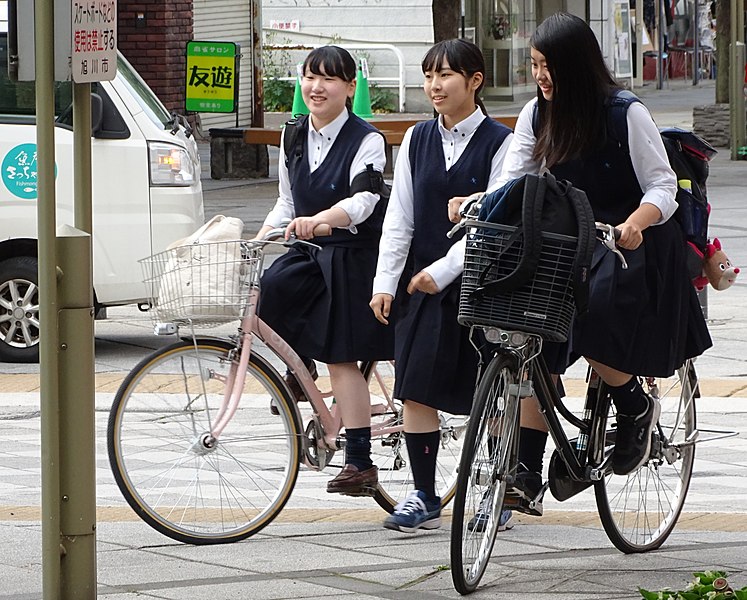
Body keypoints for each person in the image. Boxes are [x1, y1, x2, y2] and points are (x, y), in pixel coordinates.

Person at [449, 12, 712, 520]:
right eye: (534, 65)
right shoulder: (535, 114)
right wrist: (479, 201)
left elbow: (663, 185)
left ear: (576, 64)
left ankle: (633, 403)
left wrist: (636, 221)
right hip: (571, 238)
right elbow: (514, 179)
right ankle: (524, 474)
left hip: (630, 241)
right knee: (533, 329)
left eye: (548, 65)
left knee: (590, 317)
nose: (540, 76)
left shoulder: (624, 113)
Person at [370, 38, 513, 533]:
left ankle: (496, 489)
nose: (434, 84)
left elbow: (494, 222)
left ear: (475, 81)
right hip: (420, 281)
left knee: (489, 393)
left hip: (483, 281)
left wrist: (445, 271)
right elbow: (400, 216)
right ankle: (424, 494)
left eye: (446, 74)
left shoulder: (504, 142)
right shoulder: (415, 138)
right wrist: (386, 281)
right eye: (429, 74)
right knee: (415, 387)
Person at [255, 45, 393, 497]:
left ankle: (359, 463)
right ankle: (301, 370)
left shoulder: (367, 139)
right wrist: (261, 236)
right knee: (270, 287)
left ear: (350, 88)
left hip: (354, 253)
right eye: (310, 77)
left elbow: (364, 201)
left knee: (341, 355)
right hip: (310, 250)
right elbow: (286, 201)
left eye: (330, 79)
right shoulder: (292, 134)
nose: (317, 87)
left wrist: (325, 218)